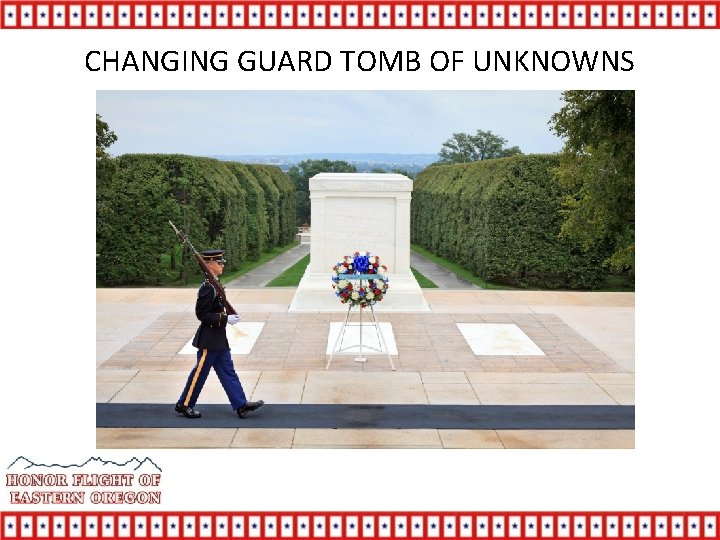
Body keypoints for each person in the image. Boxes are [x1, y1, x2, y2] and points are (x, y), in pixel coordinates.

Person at [175, 249, 264, 419]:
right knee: (199, 374)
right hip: (209, 340)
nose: (222, 264)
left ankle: (240, 404)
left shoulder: (214, 284)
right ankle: (184, 404)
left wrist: (225, 318)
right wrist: (225, 319)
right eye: (219, 262)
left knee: (228, 371)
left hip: (218, 339)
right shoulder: (208, 288)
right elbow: (202, 314)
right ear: (209, 265)